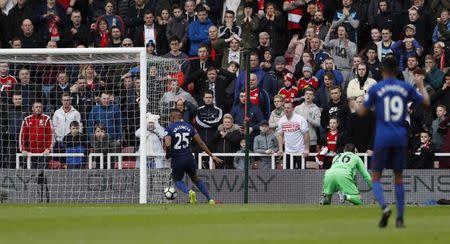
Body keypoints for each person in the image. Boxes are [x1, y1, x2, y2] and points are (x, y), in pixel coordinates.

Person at [357, 57, 430, 228]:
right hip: (400, 136)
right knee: (398, 178)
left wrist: (356, 102)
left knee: (376, 177)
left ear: (382, 70)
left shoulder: (376, 88)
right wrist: (420, 86)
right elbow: (426, 102)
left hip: (382, 137)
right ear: (397, 70)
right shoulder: (405, 87)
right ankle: (400, 219)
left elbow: (361, 112)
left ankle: (383, 206)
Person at [164, 109, 222, 204]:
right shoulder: (189, 127)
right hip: (189, 157)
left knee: (177, 179)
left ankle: (189, 192)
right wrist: (211, 155)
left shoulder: (169, 128)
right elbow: (200, 143)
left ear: (172, 117)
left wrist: (168, 154)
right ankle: (210, 199)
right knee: (195, 178)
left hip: (177, 158)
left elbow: (167, 144)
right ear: (181, 117)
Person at [19, 101, 54, 169]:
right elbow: (22, 136)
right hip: (30, 153)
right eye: (36, 107)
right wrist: (23, 149)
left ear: (42, 108)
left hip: (44, 153)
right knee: (31, 173)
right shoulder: (27, 119)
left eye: (40, 107)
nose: (38, 108)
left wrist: (48, 149)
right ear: (32, 108)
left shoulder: (47, 119)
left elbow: (51, 135)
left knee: (42, 173)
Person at [276, 102, 310, 169]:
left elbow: (306, 134)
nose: (286, 109)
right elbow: (280, 135)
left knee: (302, 174)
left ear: (293, 109)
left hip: (300, 152)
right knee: (289, 175)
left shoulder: (300, 119)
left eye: (288, 108)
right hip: (288, 152)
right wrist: (280, 149)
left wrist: (307, 149)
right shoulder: (281, 120)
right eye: (285, 108)